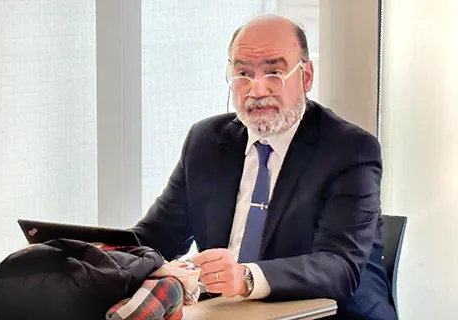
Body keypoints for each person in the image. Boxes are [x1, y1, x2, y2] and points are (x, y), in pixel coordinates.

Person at [132, 14, 397, 319]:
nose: (256, 90)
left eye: (274, 72)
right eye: (243, 73)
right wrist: (94, 253)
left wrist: (246, 278)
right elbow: (156, 237)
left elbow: (339, 267)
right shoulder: (206, 142)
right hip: (228, 312)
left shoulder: (348, 149)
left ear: (306, 76)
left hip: (332, 314)